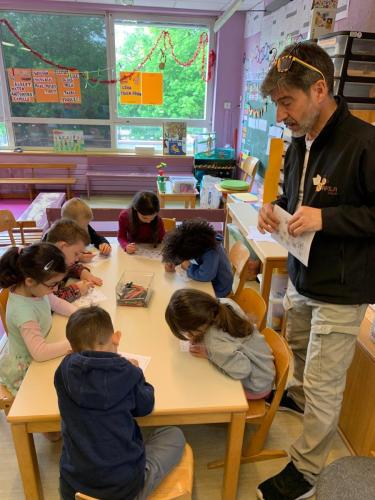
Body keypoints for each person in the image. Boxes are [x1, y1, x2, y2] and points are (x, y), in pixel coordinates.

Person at [256, 41, 375, 500]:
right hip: (304, 274)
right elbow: (295, 201)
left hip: (342, 289)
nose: (281, 114)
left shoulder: (363, 144)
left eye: (287, 101)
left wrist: (328, 218)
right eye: (278, 104)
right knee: (300, 352)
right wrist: (275, 209)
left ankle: (306, 469)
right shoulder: (298, 142)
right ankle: (301, 399)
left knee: (326, 381)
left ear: (320, 89)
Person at [55, 306, 185, 500]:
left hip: (73, 489)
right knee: (174, 434)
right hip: (122, 490)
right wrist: (138, 373)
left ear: (72, 349)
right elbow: (145, 407)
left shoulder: (63, 371)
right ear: (116, 337)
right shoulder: (128, 372)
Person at [165, 289, 275, 400]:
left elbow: (242, 371)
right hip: (265, 365)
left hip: (256, 385)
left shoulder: (214, 343)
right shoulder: (223, 304)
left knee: (207, 394)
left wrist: (210, 354)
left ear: (194, 329)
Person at [0, 243, 76, 396]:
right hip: (27, 370)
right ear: (29, 281)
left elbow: (56, 302)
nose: (55, 289)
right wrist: (75, 342)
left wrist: (80, 314)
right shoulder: (23, 312)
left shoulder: (36, 289)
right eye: (53, 285)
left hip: (41, 346)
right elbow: (40, 353)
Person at [162, 219, 233, 298]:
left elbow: (205, 276)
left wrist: (188, 267)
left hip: (218, 288)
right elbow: (183, 249)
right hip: (210, 279)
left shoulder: (211, 251)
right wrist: (174, 261)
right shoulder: (197, 240)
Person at [45, 219, 103, 302]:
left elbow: (69, 268)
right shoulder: (43, 265)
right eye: (75, 254)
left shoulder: (56, 259)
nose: (77, 259)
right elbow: (49, 300)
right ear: (63, 246)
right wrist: (76, 290)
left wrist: (82, 272)